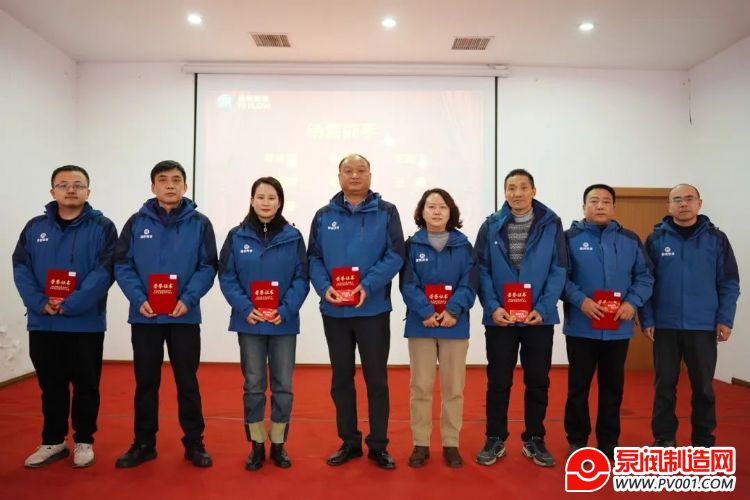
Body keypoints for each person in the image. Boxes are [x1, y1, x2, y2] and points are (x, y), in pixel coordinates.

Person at [114, 160, 218, 468]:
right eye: (162, 179)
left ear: (185, 186)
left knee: (187, 382)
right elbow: (122, 264)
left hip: (184, 316)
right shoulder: (136, 223)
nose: (170, 185)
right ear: (153, 187)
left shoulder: (200, 223)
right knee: (146, 383)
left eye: (176, 180)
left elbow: (208, 266)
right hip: (145, 316)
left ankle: (194, 443)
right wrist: (138, 298)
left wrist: (188, 299)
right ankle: (144, 443)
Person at [13, 165, 117, 468]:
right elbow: (21, 268)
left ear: (88, 191)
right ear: (52, 191)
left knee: (86, 386)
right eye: (63, 184)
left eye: (78, 185)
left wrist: (71, 303)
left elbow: (105, 270)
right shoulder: (35, 228)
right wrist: (39, 302)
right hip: (43, 321)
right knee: (51, 386)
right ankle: (53, 441)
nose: (71, 190)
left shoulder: (103, 227)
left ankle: (84, 440)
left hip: (85, 323)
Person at [308, 153, 405, 470]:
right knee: (341, 380)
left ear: (370, 175)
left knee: (377, 380)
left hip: (372, 309)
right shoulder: (324, 215)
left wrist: (368, 285)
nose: (354, 175)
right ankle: (349, 442)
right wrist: (325, 287)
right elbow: (313, 258)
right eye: (348, 170)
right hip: (335, 311)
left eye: (361, 170)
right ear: (339, 176)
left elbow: (396, 254)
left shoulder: (387, 212)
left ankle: (378, 445)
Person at [474, 168, 567, 467]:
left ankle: (534, 438)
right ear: (505, 193)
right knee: (498, 380)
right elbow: (481, 269)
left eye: (523, 187)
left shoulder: (551, 224)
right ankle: (495, 437)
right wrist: (492, 307)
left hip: (538, 318)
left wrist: (544, 307)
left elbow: (559, 268)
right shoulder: (490, 225)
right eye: (511, 188)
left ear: (534, 191)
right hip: (500, 318)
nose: (517, 193)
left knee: (538, 380)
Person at [218, 177, 309, 471]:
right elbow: (227, 276)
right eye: (260, 197)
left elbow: (301, 277)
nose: (266, 202)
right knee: (254, 384)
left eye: (272, 197)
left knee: (283, 385)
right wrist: (246, 308)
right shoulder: (236, 236)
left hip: (283, 322)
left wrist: (286, 309)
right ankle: (257, 443)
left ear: (280, 202)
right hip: (250, 323)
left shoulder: (293, 237)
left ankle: (278, 443)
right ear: (251, 200)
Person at [640, 183, 740, 448]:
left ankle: (703, 440)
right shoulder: (655, 240)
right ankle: (664, 438)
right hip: (665, 326)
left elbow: (729, 282)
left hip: (703, 326)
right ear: (669, 205)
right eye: (677, 199)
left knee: (704, 387)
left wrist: (725, 318)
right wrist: (647, 319)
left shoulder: (716, 239)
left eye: (688, 198)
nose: (683, 204)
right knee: (664, 386)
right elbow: (644, 282)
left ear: (699, 203)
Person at [562, 184, 653, 459]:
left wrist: (632, 303)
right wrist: (581, 301)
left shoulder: (630, 239)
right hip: (582, 327)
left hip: (618, 329)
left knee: (613, 388)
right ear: (583, 207)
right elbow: (559, 277)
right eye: (593, 201)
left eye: (605, 201)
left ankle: (609, 441)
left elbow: (645, 276)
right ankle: (577, 440)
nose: (599, 205)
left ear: (614, 207)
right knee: (578, 388)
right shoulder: (568, 238)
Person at [399, 188, 478, 468]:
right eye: (430, 206)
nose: (436, 211)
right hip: (421, 324)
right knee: (420, 386)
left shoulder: (464, 246)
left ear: (450, 212)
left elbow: (470, 282)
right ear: (421, 212)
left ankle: (450, 443)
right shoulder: (411, 245)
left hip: (454, 324)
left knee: (453, 387)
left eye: (442, 207)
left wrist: (453, 310)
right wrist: (426, 311)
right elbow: (407, 283)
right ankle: (420, 443)